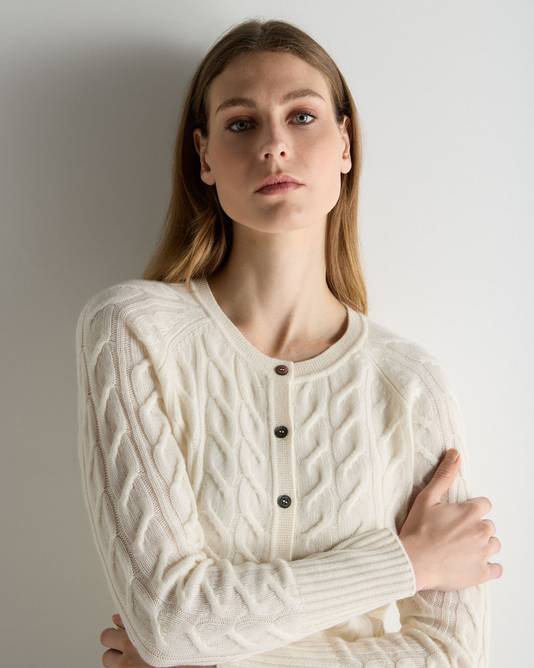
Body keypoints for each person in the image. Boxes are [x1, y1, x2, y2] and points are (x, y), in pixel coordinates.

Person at [76, 18, 502, 668]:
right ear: (204, 157)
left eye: (301, 117)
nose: (274, 145)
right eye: (241, 123)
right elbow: (168, 620)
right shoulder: (133, 332)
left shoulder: (410, 383)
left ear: (345, 144)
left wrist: (208, 659)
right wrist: (405, 563)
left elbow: (451, 654)